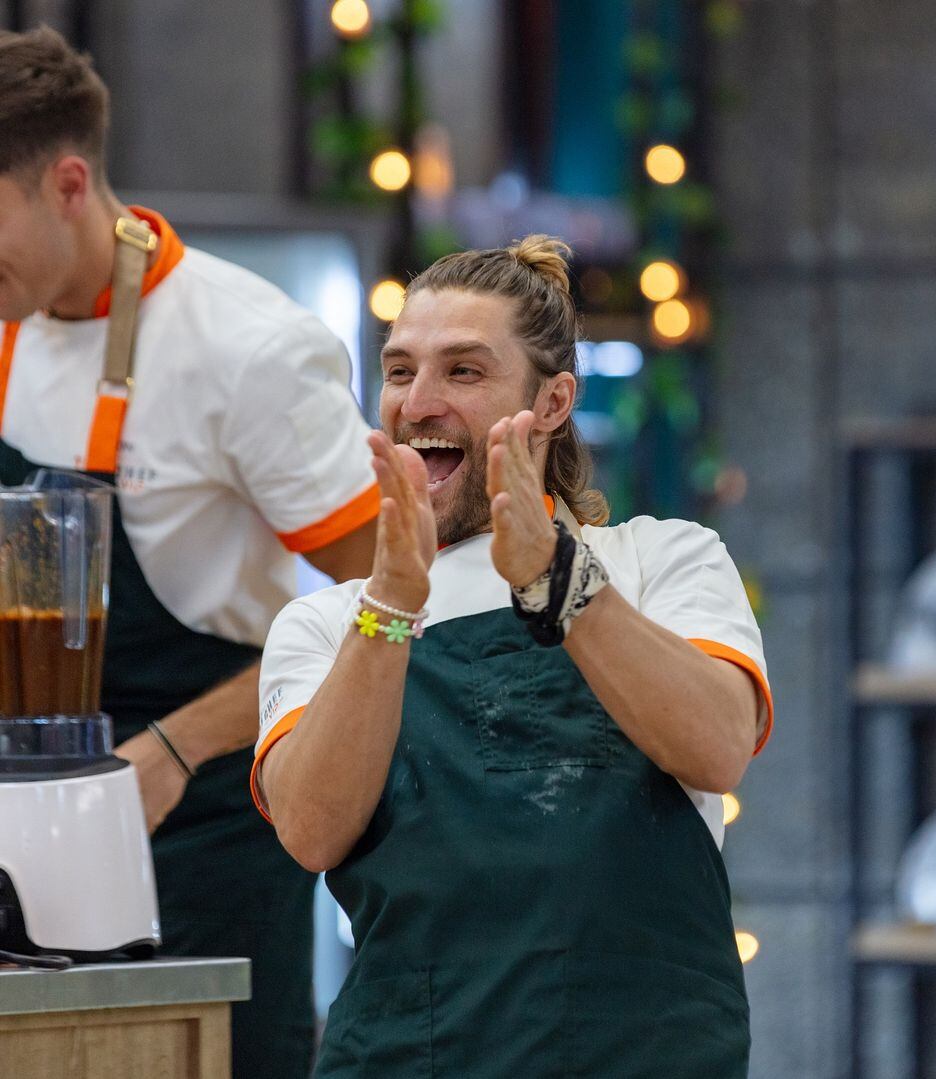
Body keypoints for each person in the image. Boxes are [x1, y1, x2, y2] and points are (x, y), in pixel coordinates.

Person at [253, 235, 774, 1077]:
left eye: (463, 371)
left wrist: (558, 580)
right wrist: (389, 604)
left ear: (555, 400)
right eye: (398, 370)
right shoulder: (327, 624)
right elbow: (312, 831)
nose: (418, 402)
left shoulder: (661, 560)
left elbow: (717, 744)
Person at [0, 26, 380, 1078]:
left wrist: (174, 748)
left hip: (201, 830)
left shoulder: (248, 347)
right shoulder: (7, 312)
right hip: (18, 817)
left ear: (68, 183)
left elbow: (394, 607)